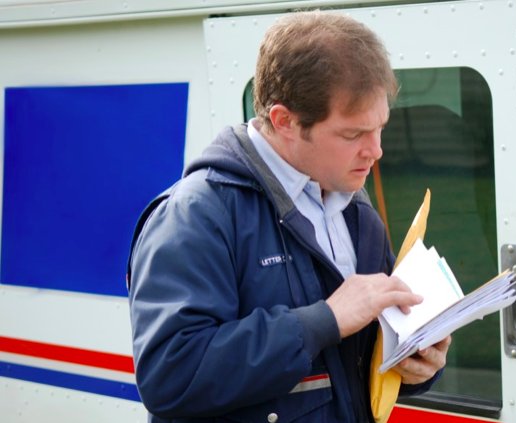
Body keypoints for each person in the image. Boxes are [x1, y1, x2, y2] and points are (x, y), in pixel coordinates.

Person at [127, 10, 450, 423]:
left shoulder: (356, 210)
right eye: (353, 134)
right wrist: (325, 320)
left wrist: (416, 362)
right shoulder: (196, 214)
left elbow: (354, 368)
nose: (376, 150)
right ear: (285, 122)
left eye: (380, 127)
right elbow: (170, 376)